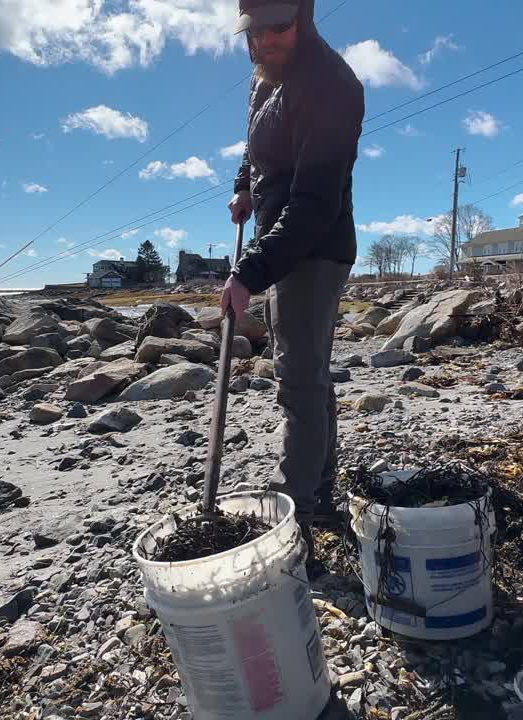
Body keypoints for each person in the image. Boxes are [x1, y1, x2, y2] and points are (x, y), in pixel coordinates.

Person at [222, 0, 363, 567]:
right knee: (309, 378)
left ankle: (294, 523)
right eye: (255, 30)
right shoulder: (264, 79)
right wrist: (244, 186)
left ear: (303, 17)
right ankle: (322, 493)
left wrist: (249, 272)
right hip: (279, 242)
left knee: (297, 386)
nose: (267, 38)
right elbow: (255, 145)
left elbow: (314, 203)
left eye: (280, 26)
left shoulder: (332, 84)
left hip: (314, 247)